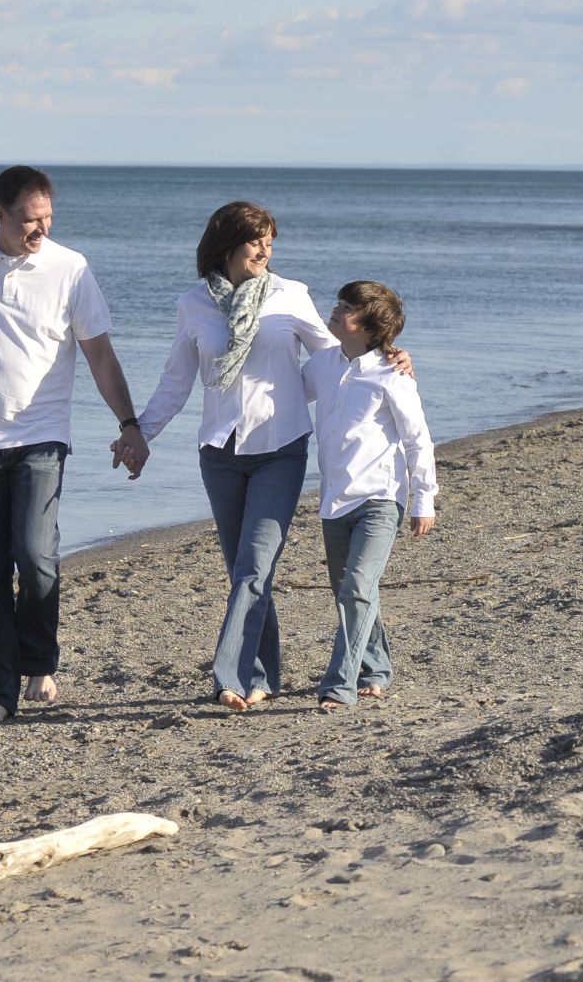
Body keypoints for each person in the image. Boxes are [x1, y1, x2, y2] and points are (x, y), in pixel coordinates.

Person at [124, 201, 410, 712]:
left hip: (280, 448)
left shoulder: (289, 296)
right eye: (256, 239)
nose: (265, 249)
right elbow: (176, 381)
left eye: (270, 241)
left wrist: (390, 355)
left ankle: (230, 676)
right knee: (244, 571)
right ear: (228, 243)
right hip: (219, 451)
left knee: (254, 567)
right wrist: (140, 433)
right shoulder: (194, 304)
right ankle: (292, 670)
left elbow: (338, 357)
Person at [0, 165, 149, 725]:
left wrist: (129, 423)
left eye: (49, 217)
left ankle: (39, 660)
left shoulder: (70, 268)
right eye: (31, 220)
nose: (42, 229)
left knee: (35, 556)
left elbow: (99, 353)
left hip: (42, 437)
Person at [303, 281, 437, 710]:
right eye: (340, 303)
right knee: (350, 591)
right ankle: (376, 669)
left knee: (358, 587)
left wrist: (423, 500)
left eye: (347, 308)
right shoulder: (322, 364)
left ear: (370, 326)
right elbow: (282, 389)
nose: (336, 310)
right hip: (334, 499)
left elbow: (418, 440)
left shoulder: (392, 375)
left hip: (381, 498)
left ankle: (339, 685)